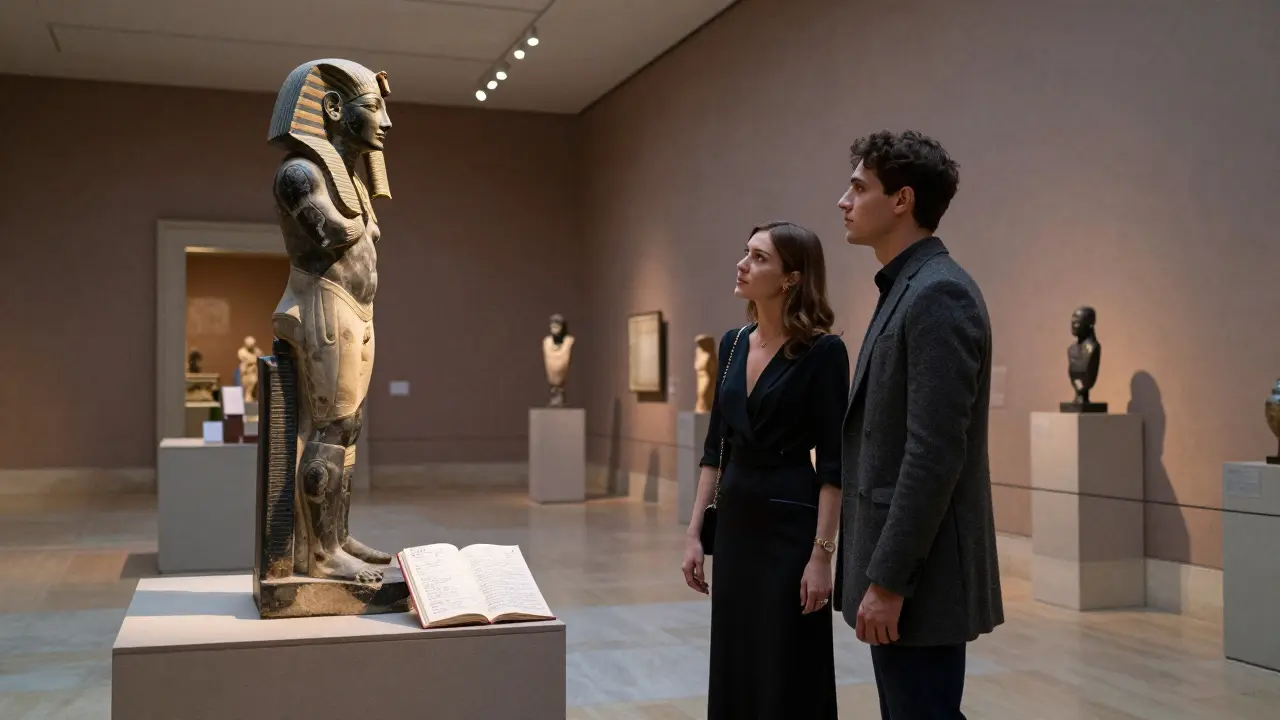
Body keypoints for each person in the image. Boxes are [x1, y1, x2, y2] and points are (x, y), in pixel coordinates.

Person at [832, 129, 1003, 719]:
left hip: (920, 576)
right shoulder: (907, 286)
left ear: (902, 200)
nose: (844, 201)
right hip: (903, 567)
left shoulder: (938, 293)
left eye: (859, 188)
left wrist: (889, 581)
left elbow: (933, 454)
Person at [681, 220, 849, 719]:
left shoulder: (823, 352)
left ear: (791, 277)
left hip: (789, 525)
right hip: (736, 523)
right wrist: (694, 534)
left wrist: (821, 556)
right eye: (746, 253)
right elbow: (715, 448)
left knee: (786, 659)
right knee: (737, 655)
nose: (742, 264)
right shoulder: (733, 344)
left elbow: (834, 464)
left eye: (758, 258)